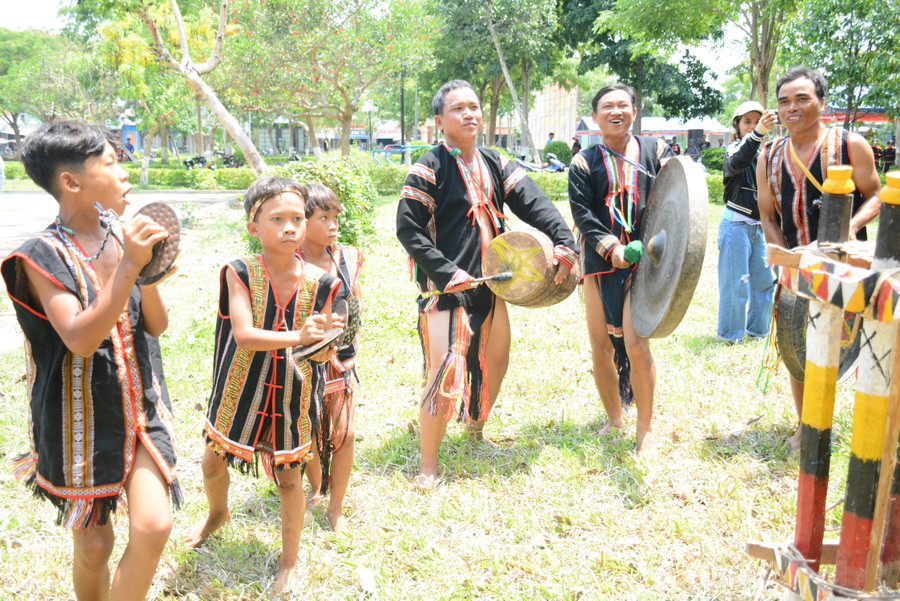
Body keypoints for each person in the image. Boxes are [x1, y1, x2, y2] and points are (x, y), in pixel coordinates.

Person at [1, 119, 180, 601]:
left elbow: (155, 326)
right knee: (95, 545)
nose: (123, 173)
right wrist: (129, 266)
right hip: (78, 419)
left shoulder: (123, 237)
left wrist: (150, 272)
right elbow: (80, 339)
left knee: (154, 523)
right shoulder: (40, 254)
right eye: (110, 161)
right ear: (71, 181)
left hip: (139, 408)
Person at [397, 79, 577, 488]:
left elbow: (535, 203)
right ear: (440, 121)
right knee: (445, 370)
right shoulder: (431, 165)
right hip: (447, 289)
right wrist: (448, 273)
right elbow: (408, 229)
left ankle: (476, 430)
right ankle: (428, 463)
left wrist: (565, 242)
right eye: (458, 108)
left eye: (474, 107)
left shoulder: (496, 162)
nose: (470, 114)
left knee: (496, 359)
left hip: (494, 285)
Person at [184, 176, 344, 592]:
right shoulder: (239, 271)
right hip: (239, 388)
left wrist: (326, 343)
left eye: (297, 218)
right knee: (212, 463)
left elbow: (323, 352)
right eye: (277, 219)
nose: (290, 227)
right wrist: (301, 337)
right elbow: (244, 335)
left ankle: (290, 561)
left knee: (289, 479)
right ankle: (218, 513)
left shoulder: (324, 283)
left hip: (293, 395)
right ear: (253, 228)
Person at [756, 66, 882, 450]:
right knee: (796, 345)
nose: (791, 108)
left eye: (802, 99)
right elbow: (766, 213)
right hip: (796, 269)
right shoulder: (770, 154)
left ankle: (868, 423)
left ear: (821, 103)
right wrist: (783, 260)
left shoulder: (850, 145)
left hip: (844, 267)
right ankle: (806, 426)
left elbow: (877, 194)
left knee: (849, 343)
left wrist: (851, 225)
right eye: (784, 101)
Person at [568, 83, 676, 458]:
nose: (616, 111)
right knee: (600, 345)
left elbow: (675, 197)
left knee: (635, 342)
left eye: (623, 105)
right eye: (607, 106)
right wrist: (610, 248)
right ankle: (615, 418)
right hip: (599, 262)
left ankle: (644, 429)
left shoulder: (656, 150)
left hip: (646, 258)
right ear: (595, 117)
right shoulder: (583, 162)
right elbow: (582, 215)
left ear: (634, 110)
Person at [301, 183, 363, 535]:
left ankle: (336, 508)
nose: (332, 224)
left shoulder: (347, 259)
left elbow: (356, 304)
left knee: (346, 433)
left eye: (335, 217)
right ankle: (316, 489)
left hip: (341, 362)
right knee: (306, 433)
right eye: (323, 217)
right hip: (301, 364)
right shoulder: (288, 262)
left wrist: (351, 347)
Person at [717, 101, 778, 344]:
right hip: (736, 226)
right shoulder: (734, 149)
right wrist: (757, 133)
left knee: (764, 283)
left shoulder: (769, 153)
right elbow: (739, 161)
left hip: (759, 227)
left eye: (758, 120)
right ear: (737, 126)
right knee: (736, 284)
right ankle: (731, 336)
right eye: (747, 122)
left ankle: (758, 331)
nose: (753, 125)